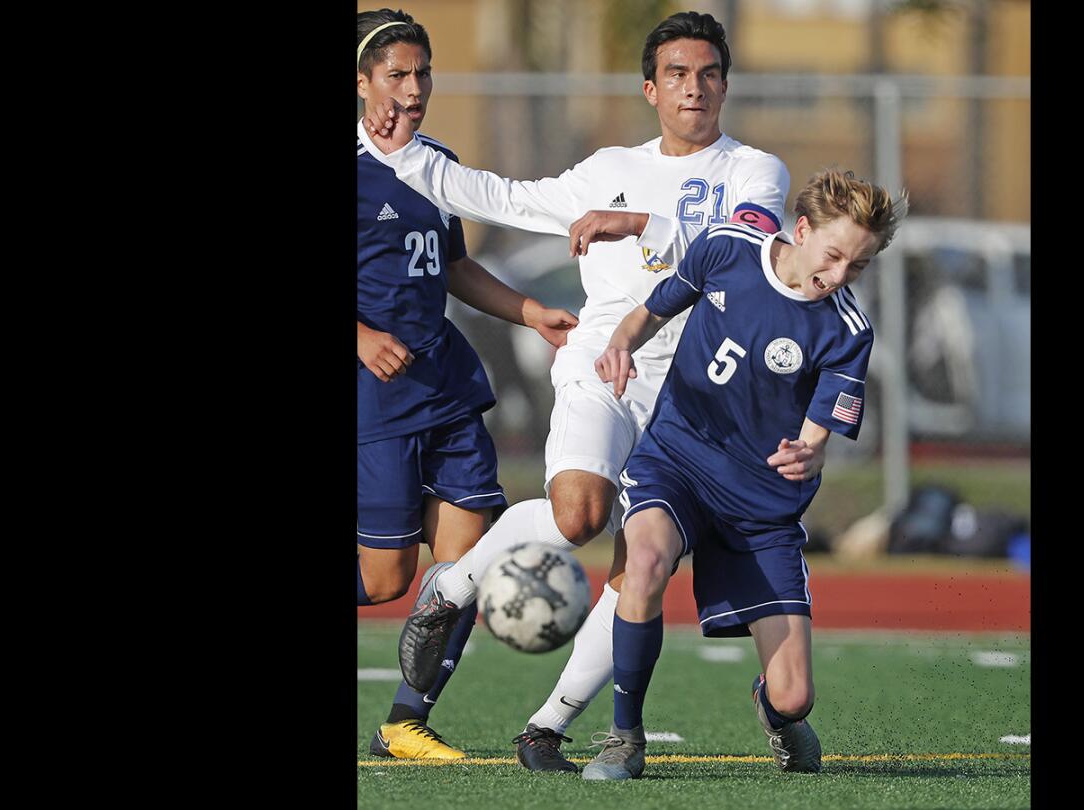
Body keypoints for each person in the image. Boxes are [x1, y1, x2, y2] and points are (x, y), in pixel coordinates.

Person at [360, 11, 794, 772]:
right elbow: (505, 196)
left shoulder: (755, 170)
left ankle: (548, 728)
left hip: (696, 390)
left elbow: (744, 249)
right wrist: (414, 162)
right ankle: (453, 587)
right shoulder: (606, 166)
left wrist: (639, 222)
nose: (695, 88)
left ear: (726, 83)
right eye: (679, 74)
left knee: (643, 568)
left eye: (709, 73)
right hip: (603, 365)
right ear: (650, 88)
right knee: (577, 515)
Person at [579, 169, 907, 780]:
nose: (838, 277)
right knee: (644, 563)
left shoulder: (847, 331)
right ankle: (625, 738)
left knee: (794, 697)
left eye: (857, 267)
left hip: (761, 509)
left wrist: (811, 454)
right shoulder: (726, 248)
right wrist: (620, 342)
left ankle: (775, 715)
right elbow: (649, 313)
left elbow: (815, 438)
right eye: (833, 256)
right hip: (677, 461)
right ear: (801, 230)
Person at [355, 8, 579, 761]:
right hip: (378, 403)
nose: (414, 87)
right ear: (362, 83)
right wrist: (361, 335)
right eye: (397, 74)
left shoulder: (435, 164)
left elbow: (453, 269)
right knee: (386, 582)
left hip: (448, 393)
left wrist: (528, 312)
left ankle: (405, 720)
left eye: (423, 72)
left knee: (463, 570)